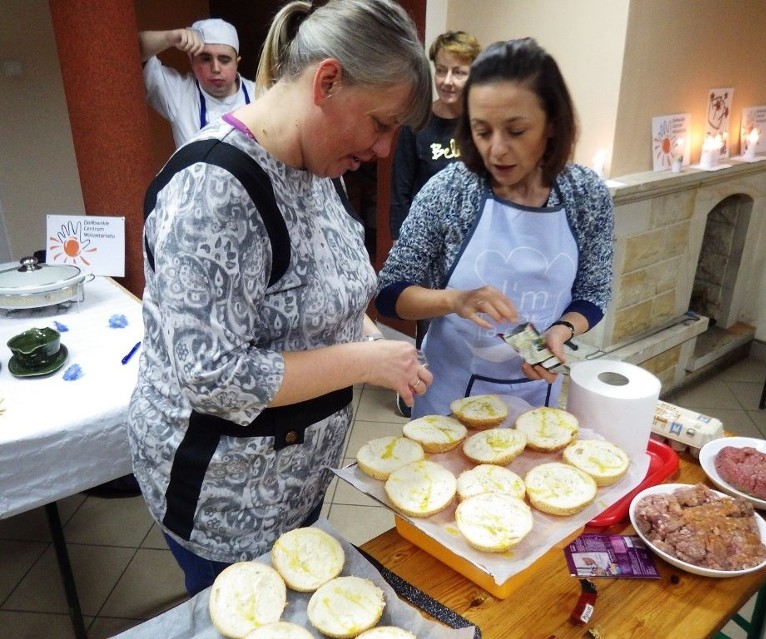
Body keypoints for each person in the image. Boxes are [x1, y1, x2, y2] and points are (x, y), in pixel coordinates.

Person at [129, 0, 432, 596]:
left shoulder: (320, 165)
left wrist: (375, 340)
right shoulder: (214, 191)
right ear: (326, 81)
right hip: (224, 492)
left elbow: (327, 295)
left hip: (294, 476)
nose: (383, 148)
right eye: (381, 122)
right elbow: (213, 376)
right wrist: (367, 363)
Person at [376, 37, 614, 418]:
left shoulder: (585, 195)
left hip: (537, 396)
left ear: (553, 124)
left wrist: (561, 331)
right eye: (482, 131)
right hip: (448, 399)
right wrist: (454, 300)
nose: (497, 149)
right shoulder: (450, 191)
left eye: (516, 131)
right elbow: (390, 293)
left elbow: (593, 292)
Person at [389, 30, 481, 417]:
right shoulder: (418, 125)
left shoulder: (481, 125)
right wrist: (405, 250)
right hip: (427, 253)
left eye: (458, 72)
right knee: (428, 329)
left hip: (474, 249)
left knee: (468, 325)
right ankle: (418, 390)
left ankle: (468, 395)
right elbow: (400, 192)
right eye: (441, 70)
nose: (447, 80)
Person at [139, 18, 257, 147]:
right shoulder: (180, 94)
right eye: (205, 59)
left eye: (224, 60)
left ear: (236, 63)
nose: (216, 68)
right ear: (192, 60)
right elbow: (134, 50)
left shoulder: (261, 94)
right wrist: (170, 37)